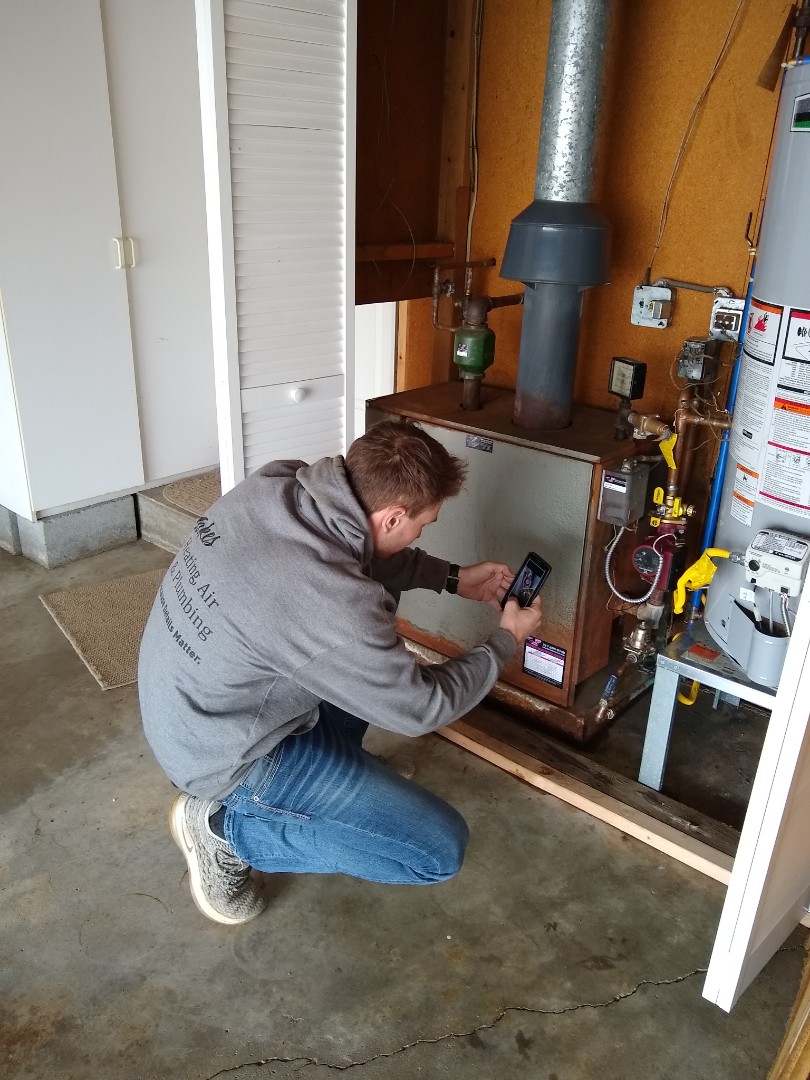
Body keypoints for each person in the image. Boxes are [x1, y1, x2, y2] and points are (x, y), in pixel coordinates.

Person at [138, 420, 542, 925]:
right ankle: (223, 831)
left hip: (188, 703)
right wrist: (505, 640)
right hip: (226, 756)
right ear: (394, 517)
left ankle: (327, 778)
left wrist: (452, 578)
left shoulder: (280, 483)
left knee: (368, 640)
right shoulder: (331, 602)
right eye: (424, 524)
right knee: (437, 851)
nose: (423, 532)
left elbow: (355, 553)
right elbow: (421, 708)